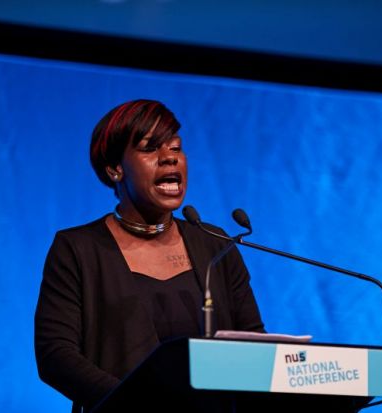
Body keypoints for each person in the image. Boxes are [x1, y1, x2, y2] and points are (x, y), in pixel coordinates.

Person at [34, 99, 265, 412]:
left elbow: (253, 341)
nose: (170, 158)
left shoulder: (215, 244)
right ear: (115, 169)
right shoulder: (78, 249)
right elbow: (55, 356)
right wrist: (134, 403)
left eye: (176, 147)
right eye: (151, 148)